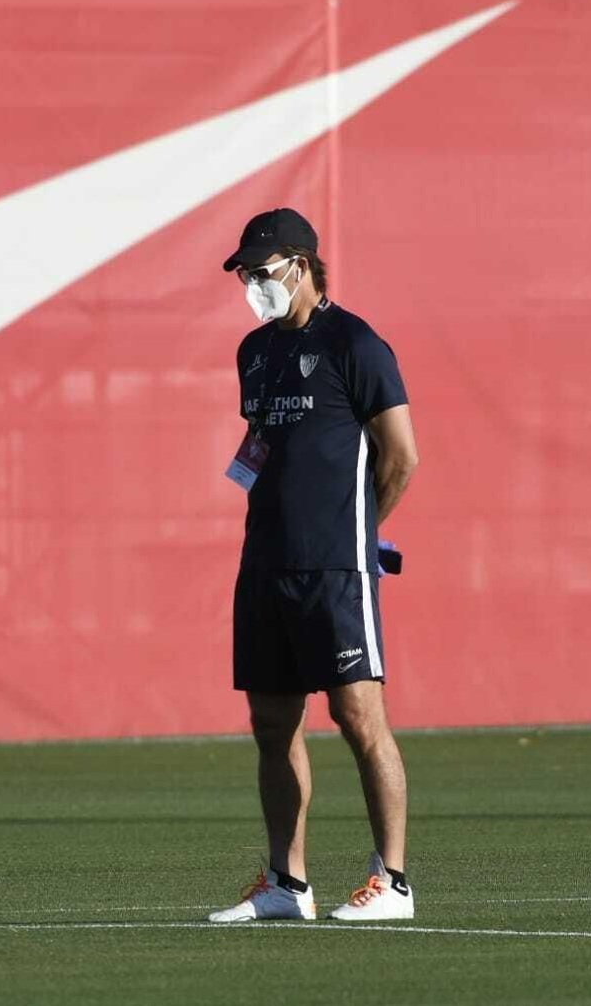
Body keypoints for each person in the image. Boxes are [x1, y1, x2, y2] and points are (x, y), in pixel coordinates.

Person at [206, 207, 420, 923]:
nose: (252, 285)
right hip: (265, 562)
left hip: (335, 568)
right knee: (272, 722)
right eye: (244, 274)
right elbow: (261, 447)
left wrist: (359, 534)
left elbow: (401, 456)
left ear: (300, 264)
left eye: (261, 272)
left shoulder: (354, 342)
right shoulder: (253, 351)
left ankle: (392, 880)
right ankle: (285, 884)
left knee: (359, 714)